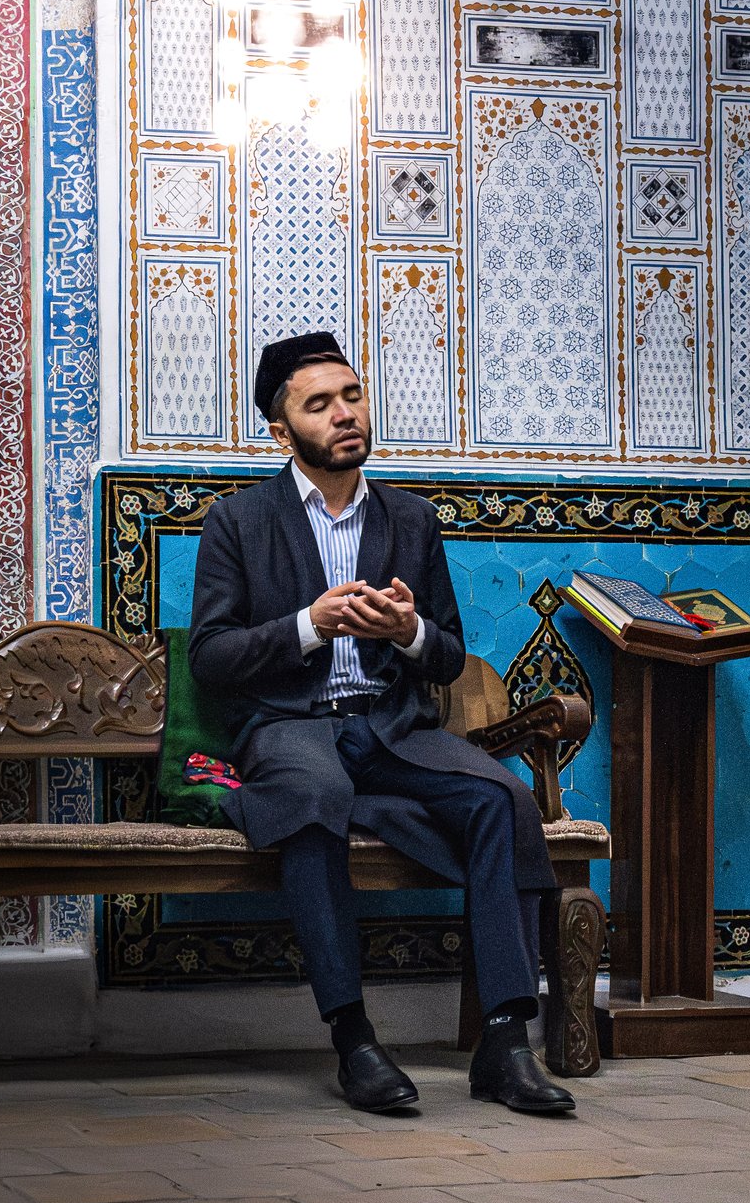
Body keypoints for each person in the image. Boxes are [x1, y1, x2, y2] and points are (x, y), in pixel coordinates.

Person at [188, 330, 577, 1118]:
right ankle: (354, 1040)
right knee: (315, 794)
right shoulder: (238, 522)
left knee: (502, 800)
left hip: (391, 729)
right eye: (320, 404)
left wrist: (407, 634)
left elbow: (447, 656)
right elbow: (211, 657)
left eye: (352, 396)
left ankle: (505, 1041)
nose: (344, 415)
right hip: (290, 727)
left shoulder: (411, 520)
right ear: (281, 428)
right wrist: (310, 623)